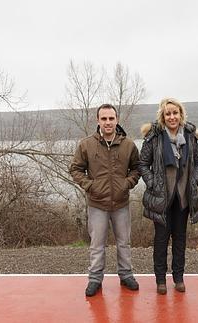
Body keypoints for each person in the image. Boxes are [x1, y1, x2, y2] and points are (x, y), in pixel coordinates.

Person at [69, 103, 140, 297]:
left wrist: (126, 184)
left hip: (121, 204)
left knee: (124, 242)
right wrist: (90, 186)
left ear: (117, 120)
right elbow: (75, 169)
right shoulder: (86, 144)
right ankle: (95, 279)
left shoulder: (128, 145)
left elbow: (137, 169)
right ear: (98, 121)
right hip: (97, 204)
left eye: (111, 118)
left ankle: (126, 275)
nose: (108, 122)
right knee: (97, 244)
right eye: (104, 119)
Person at [139, 98, 198, 295]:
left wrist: (195, 180)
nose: (172, 117)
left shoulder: (190, 137)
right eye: (168, 113)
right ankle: (160, 280)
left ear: (181, 114)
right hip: (161, 198)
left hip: (183, 198)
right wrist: (152, 183)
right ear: (163, 116)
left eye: (175, 113)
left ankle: (178, 277)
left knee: (180, 239)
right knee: (161, 240)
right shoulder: (154, 137)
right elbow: (143, 164)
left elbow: (197, 163)